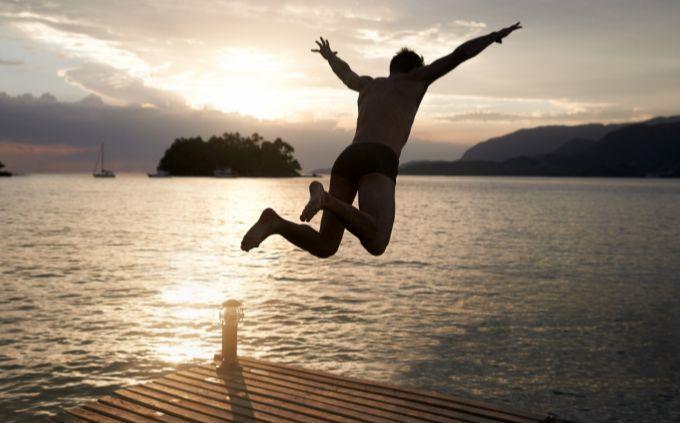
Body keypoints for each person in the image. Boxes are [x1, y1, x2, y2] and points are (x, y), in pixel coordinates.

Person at [241, 22, 522, 257]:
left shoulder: (369, 84)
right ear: (414, 68)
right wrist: (493, 36)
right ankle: (325, 198)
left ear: (391, 68)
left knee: (325, 246)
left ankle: (274, 222)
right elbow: (458, 55)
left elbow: (346, 74)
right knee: (376, 242)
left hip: (348, 157)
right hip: (379, 157)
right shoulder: (416, 80)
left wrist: (329, 57)